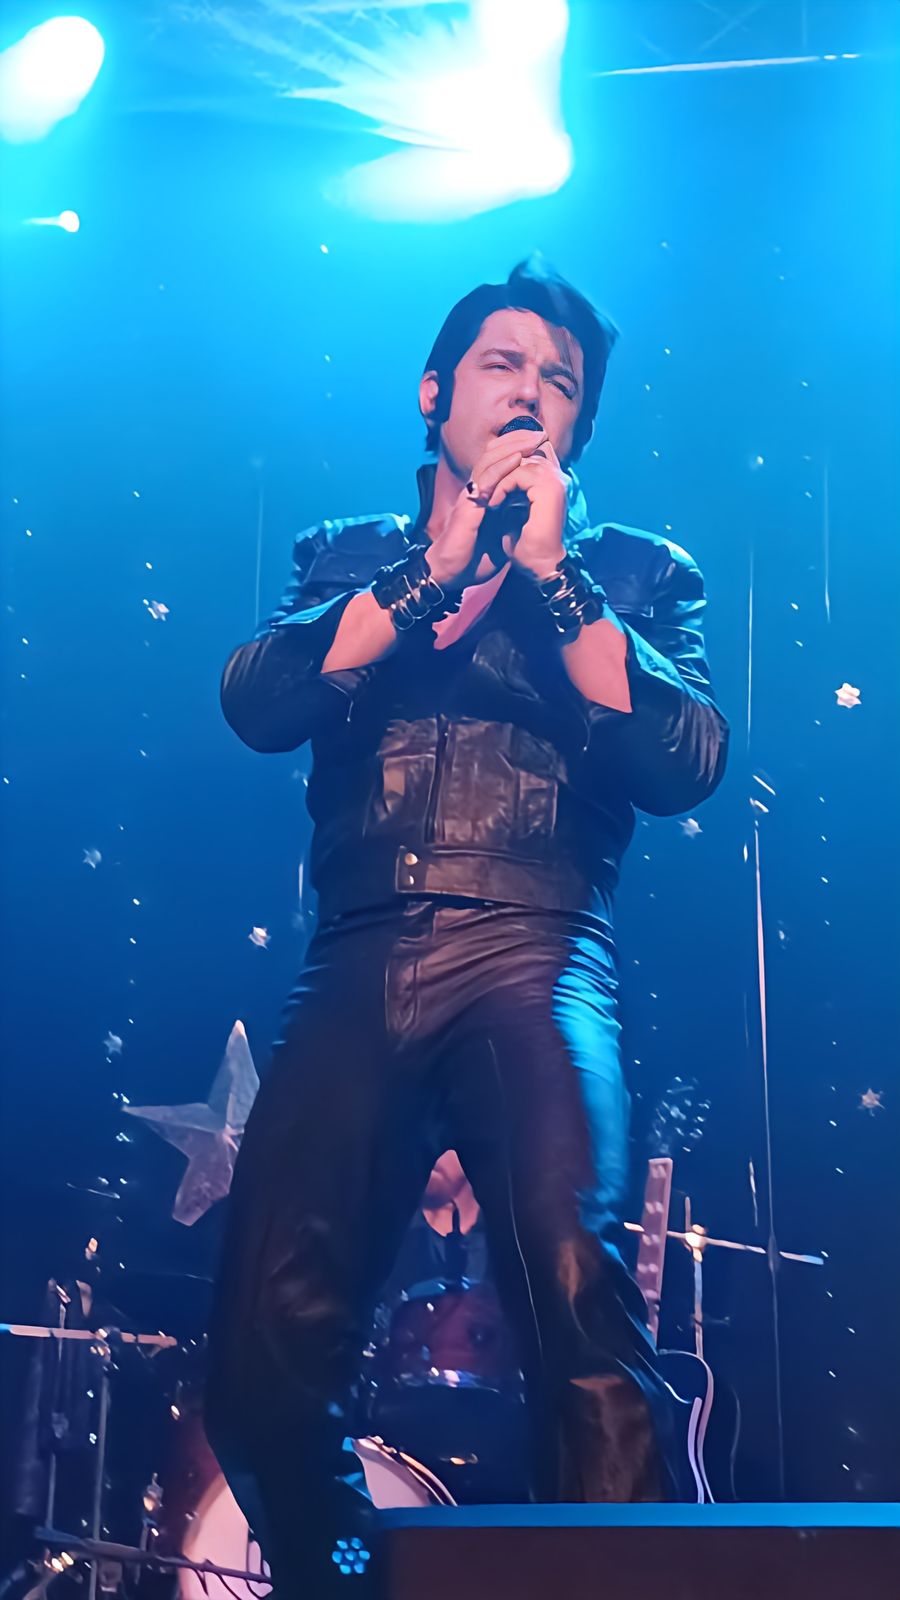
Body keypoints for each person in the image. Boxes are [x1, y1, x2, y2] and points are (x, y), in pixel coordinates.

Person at [205, 255, 729, 1596]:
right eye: (503, 364)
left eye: (561, 380)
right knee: (261, 1352)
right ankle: (342, 1581)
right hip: (362, 949)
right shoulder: (347, 556)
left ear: (579, 428)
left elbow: (683, 760)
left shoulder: (637, 571)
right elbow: (260, 701)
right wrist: (438, 566)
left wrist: (551, 575)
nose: (531, 392)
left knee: (582, 1309)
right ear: (436, 393)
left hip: (540, 948)